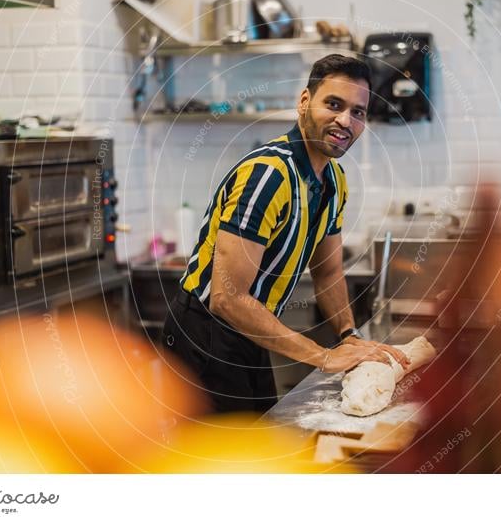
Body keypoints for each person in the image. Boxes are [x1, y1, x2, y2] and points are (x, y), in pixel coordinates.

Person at [163, 54, 410, 413]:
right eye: (334, 104)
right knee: (217, 461)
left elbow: (327, 272)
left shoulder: (333, 181)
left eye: (358, 112)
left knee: (259, 445)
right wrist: (324, 357)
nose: (346, 120)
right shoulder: (268, 175)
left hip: (250, 333)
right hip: (204, 337)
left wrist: (349, 336)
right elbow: (227, 298)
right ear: (304, 102)